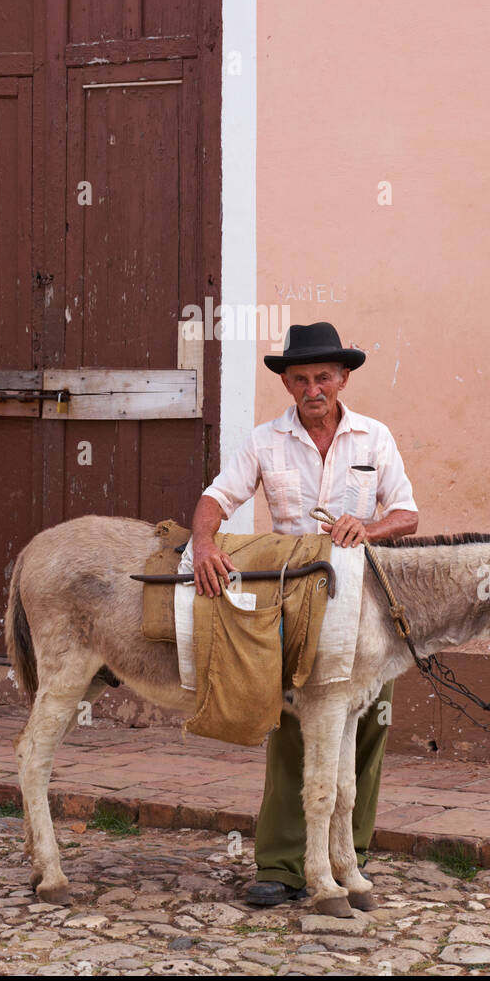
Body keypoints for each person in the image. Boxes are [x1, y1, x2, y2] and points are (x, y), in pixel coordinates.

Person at [190, 321, 419, 906]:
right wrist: (204, 543)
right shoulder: (266, 440)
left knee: (369, 726)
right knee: (294, 727)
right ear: (288, 385)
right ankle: (282, 865)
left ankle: (351, 855)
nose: (312, 388)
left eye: (323, 377)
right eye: (300, 379)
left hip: (369, 601)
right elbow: (218, 496)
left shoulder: (374, 437)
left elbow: (407, 514)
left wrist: (366, 527)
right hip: (295, 596)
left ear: (342, 379)